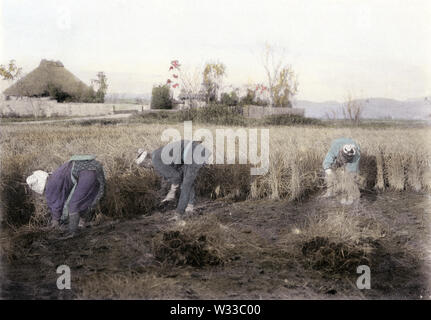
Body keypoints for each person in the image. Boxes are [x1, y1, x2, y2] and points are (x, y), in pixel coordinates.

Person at [26, 155, 105, 237]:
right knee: (82, 198)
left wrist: (55, 222)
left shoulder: (50, 187)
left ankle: (72, 232)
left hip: (87, 172)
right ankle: (81, 223)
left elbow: (56, 206)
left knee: (74, 205)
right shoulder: (55, 176)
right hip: (93, 166)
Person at [135, 140, 211, 218]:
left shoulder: (155, 161)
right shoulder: (158, 153)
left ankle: (179, 214)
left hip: (194, 154)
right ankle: (189, 207)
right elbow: (176, 174)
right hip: (197, 150)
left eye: (144, 166)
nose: (148, 168)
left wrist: (172, 191)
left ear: (146, 162)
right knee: (186, 180)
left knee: (186, 184)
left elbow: (175, 177)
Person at [322, 138, 361, 204]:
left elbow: (352, 174)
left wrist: (346, 178)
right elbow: (326, 163)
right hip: (338, 156)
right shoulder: (335, 148)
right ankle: (330, 191)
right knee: (330, 171)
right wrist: (331, 174)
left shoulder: (356, 155)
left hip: (352, 160)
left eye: (347, 159)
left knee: (350, 176)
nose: (345, 161)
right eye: (345, 158)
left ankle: (351, 195)